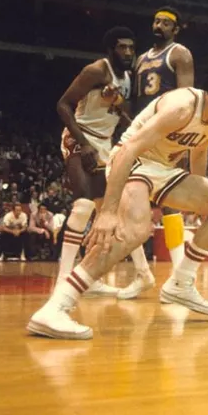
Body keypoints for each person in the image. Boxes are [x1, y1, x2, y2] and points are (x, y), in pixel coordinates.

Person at [27, 53, 208, 340]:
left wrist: (201, 196)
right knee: (134, 231)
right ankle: (56, 308)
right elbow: (129, 149)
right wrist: (108, 212)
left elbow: (199, 152)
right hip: (131, 161)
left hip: (163, 170)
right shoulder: (183, 105)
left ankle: (180, 284)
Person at [117, 7, 196, 300]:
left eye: (165, 23)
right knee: (127, 200)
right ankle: (142, 274)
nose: (159, 25)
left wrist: (182, 140)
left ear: (176, 30)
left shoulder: (180, 54)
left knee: (170, 202)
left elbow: (186, 98)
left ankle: (178, 277)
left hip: (166, 134)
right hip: (142, 131)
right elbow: (136, 99)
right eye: (156, 21)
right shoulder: (140, 59)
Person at [54, 26, 135, 296]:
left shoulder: (129, 78)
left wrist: (130, 124)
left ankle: (89, 276)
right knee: (83, 204)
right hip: (80, 136)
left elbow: (120, 112)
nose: (128, 52)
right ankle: (63, 278)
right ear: (110, 49)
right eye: (122, 47)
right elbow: (63, 105)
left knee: (103, 212)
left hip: (104, 143)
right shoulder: (95, 71)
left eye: (131, 48)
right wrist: (84, 144)